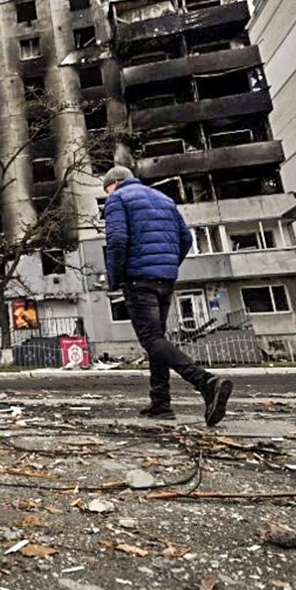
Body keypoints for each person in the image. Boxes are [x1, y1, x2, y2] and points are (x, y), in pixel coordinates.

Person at [102, 166, 232, 425]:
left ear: (114, 182)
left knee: (151, 339)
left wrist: (115, 278)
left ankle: (205, 381)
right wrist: (168, 265)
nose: (107, 194)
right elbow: (186, 239)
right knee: (157, 340)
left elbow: (116, 240)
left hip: (138, 278)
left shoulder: (118, 198)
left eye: (106, 190)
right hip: (165, 278)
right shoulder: (164, 199)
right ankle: (161, 404)